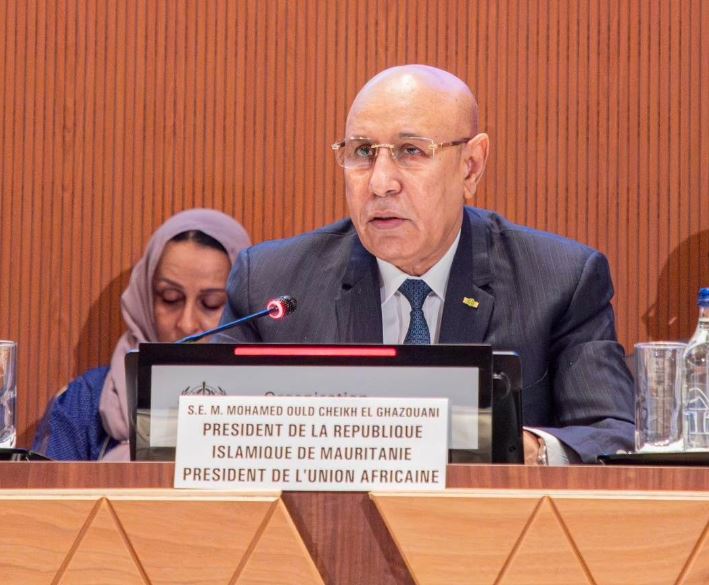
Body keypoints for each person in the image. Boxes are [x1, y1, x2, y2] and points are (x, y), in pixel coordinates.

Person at [215, 64, 634, 464]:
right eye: (362, 152)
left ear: (471, 166)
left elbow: (614, 435)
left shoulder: (559, 281)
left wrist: (523, 450)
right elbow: (205, 428)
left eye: (410, 151)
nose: (380, 183)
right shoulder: (270, 283)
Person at [33, 209, 251, 461]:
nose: (187, 324)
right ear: (145, 299)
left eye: (211, 303)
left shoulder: (270, 401)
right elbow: (46, 486)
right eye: (170, 298)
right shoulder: (85, 402)